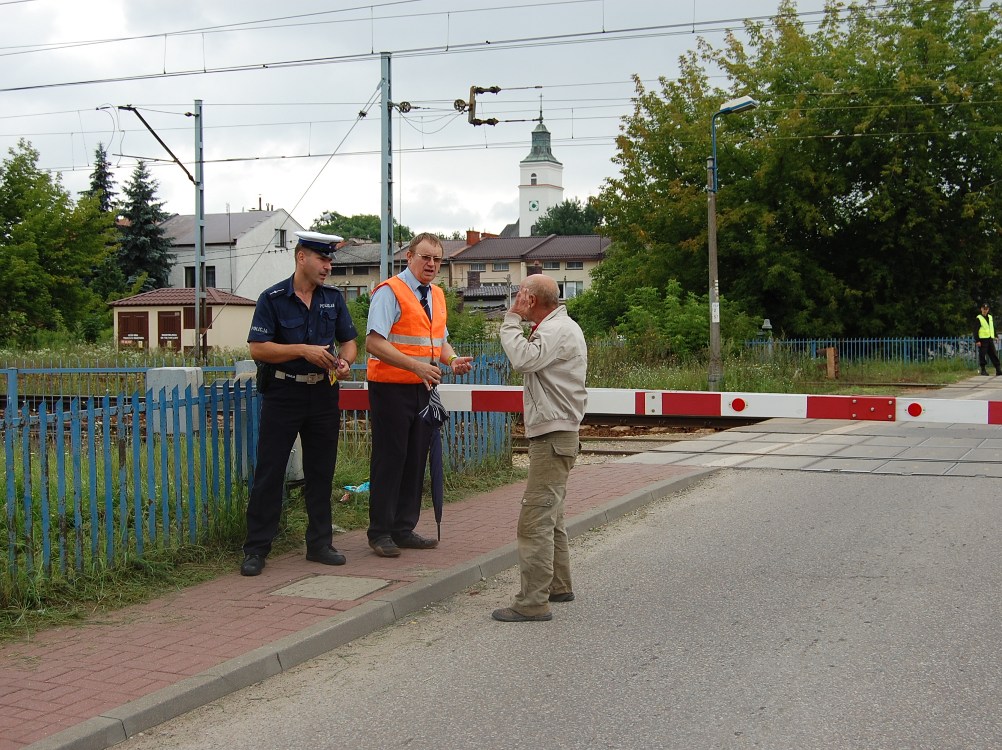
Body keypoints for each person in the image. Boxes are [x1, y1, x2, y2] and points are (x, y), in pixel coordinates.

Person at [239, 231, 358, 576]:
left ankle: (319, 544)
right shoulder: (272, 298)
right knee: (270, 471)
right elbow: (258, 348)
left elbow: (349, 341)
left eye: (330, 260)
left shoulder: (333, 299)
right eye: (323, 260)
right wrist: (301, 351)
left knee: (321, 471)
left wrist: (346, 361)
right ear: (301, 257)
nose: (328, 267)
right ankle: (257, 549)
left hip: (323, 393)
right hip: (284, 393)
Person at [365, 233, 474, 557]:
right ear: (409, 257)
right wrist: (416, 366)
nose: (431, 264)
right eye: (425, 257)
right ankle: (380, 532)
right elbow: (373, 342)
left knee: (415, 458)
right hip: (390, 387)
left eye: (437, 259)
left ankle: (403, 528)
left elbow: (438, 341)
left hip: (423, 386)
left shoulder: (438, 295)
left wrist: (452, 360)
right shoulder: (390, 292)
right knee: (391, 458)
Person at [492, 274, 587, 623]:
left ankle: (531, 602)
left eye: (520, 294)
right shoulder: (560, 327)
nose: (516, 299)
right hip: (559, 432)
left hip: (553, 435)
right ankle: (558, 585)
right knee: (552, 517)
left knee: (534, 520)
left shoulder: (554, 330)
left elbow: (522, 359)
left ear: (531, 300)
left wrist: (510, 320)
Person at [975, 302, 1002, 376]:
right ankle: (983, 370)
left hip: (990, 339)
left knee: (994, 354)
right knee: (982, 355)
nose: (985, 310)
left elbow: (992, 327)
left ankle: (998, 370)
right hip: (982, 340)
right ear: (981, 309)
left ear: (988, 309)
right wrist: (977, 340)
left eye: (986, 309)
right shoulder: (979, 318)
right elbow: (975, 330)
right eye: (984, 309)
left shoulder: (990, 317)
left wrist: (996, 336)